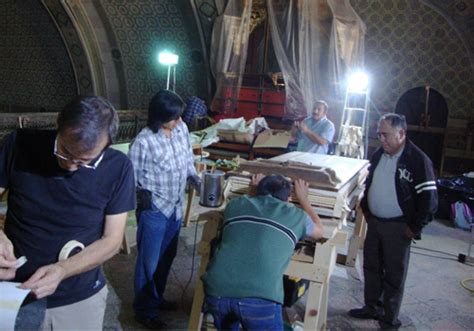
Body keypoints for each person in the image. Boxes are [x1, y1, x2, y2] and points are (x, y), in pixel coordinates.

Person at [0, 96, 136, 330]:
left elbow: (112, 241)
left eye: (84, 161)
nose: (71, 165)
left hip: (78, 296)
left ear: (107, 145)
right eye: (64, 152)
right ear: (58, 125)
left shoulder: (118, 167)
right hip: (13, 289)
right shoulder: (19, 144)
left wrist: (62, 270)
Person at [349, 113, 437, 329]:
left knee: (394, 274)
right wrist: (368, 210)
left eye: (386, 135)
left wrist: (415, 227)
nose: (382, 139)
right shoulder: (380, 154)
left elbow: (430, 200)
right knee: (371, 267)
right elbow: (370, 182)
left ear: (401, 133)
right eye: (379, 134)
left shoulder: (417, 160)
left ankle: (389, 318)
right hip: (376, 222)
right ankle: (372, 307)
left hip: (399, 227)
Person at [201, 174, 324, 330]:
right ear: (288, 200)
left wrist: (253, 190)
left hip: (216, 292)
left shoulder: (235, 205)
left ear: (256, 191)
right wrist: (304, 199)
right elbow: (320, 231)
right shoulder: (297, 216)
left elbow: (253, 205)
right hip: (259, 299)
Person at [129, 89, 200, 329]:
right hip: (155, 210)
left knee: (166, 258)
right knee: (149, 262)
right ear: (159, 118)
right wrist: (142, 206)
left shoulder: (181, 129)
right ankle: (144, 310)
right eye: (174, 117)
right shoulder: (144, 141)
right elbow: (133, 178)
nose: (179, 121)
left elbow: (187, 159)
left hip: (175, 208)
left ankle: (156, 298)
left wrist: (195, 178)